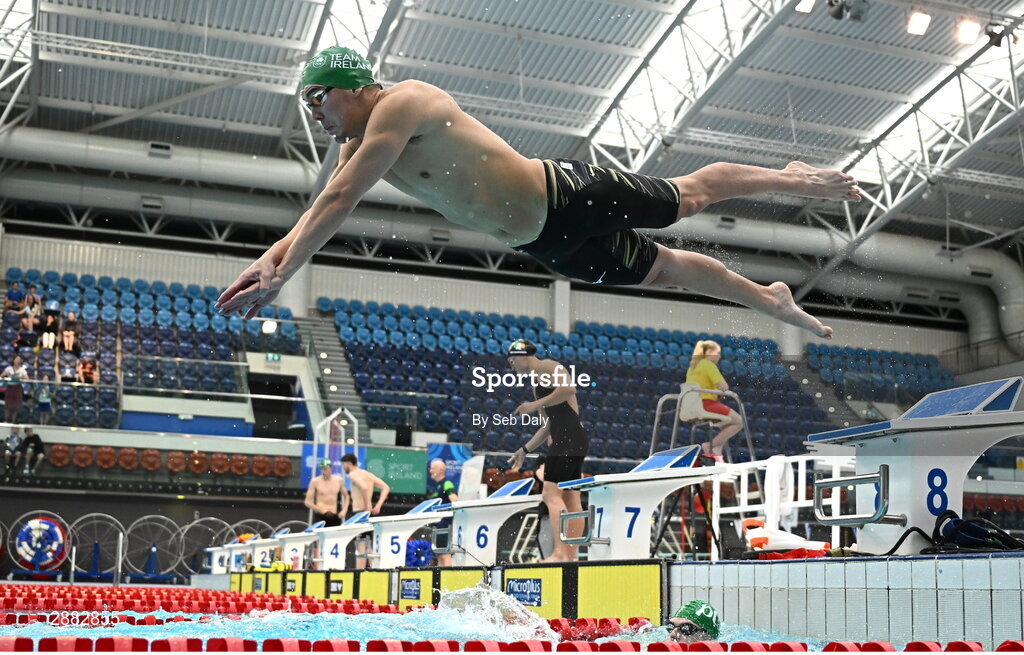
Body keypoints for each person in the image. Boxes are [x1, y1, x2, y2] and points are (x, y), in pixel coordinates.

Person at [216, 47, 860, 338]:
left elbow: (336, 205)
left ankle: (794, 175)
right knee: (663, 272)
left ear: (354, 87)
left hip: (566, 195)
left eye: (317, 97)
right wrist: (270, 262)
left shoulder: (402, 104)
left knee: (689, 197)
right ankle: (767, 298)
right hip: (539, 240)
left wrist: (282, 271)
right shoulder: (354, 146)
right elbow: (313, 214)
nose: (314, 113)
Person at [506, 339, 588, 562]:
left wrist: (533, 405)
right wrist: (524, 449)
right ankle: (571, 556)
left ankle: (560, 553)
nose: (512, 365)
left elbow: (569, 388)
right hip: (569, 440)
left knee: (550, 494)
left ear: (524, 355)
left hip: (568, 440)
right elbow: (547, 426)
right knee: (571, 498)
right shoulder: (536, 384)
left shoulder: (549, 366)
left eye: (513, 360)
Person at [686, 340, 743, 462]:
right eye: (718, 353)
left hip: (692, 406)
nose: (719, 356)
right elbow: (724, 386)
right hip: (706, 403)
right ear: (710, 352)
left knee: (728, 423)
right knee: (739, 421)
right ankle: (710, 446)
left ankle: (716, 449)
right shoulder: (708, 364)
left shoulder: (692, 367)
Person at [341, 453, 390, 569]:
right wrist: (377, 506)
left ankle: (359, 574)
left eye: (343, 465)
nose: (343, 468)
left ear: (348, 463)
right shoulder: (368, 475)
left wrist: (368, 504)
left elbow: (363, 487)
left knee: (361, 546)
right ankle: (376, 570)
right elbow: (386, 488)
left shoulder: (352, 474)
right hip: (368, 515)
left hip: (359, 513)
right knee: (368, 545)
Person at [426, 458, 459, 567]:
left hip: (445, 525)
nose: (430, 471)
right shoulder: (438, 485)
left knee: (445, 554)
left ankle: (448, 578)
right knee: (440, 554)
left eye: (432, 468)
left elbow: (454, 499)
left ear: (440, 470)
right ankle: (441, 579)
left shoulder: (447, 483)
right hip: (439, 526)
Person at [304, 457, 350, 527]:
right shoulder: (315, 481)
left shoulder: (338, 480)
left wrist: (344, 510)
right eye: (322, 469)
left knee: (336, 537)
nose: (323, 471)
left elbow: (346, 496)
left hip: (334, 515)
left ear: (330, 468)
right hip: (320, 515)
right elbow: (307, 502)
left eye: (325, 469)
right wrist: (322, 510)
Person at [2, 355, 28, 437]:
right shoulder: (9, 368)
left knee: (16, 406)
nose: (17, 360)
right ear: (13, 360)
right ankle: (6, 420)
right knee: (8, 405)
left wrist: (20, 376)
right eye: (16, 359)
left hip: (17, 388)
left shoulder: (22, 370)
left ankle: (13, 421)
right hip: (10, 387)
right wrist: (6, 374)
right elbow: (1, 375)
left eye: (19, 359)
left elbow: (27, 378)